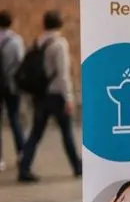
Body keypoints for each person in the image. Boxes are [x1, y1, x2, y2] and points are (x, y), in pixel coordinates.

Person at [17, 10, 82, 183]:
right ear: (60, 24)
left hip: (41, 95)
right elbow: (62, 74)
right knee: (67, 132)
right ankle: (77, 166)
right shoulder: (59, 44)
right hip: (56, 96)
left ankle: (24, 167)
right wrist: (68, 97)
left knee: (35, 133)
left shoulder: (37, 42)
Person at [0, 10, 26, 172]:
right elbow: (20, 62)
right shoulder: (16, 40)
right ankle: (21, 153)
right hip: (12, 86)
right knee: (14, 118)